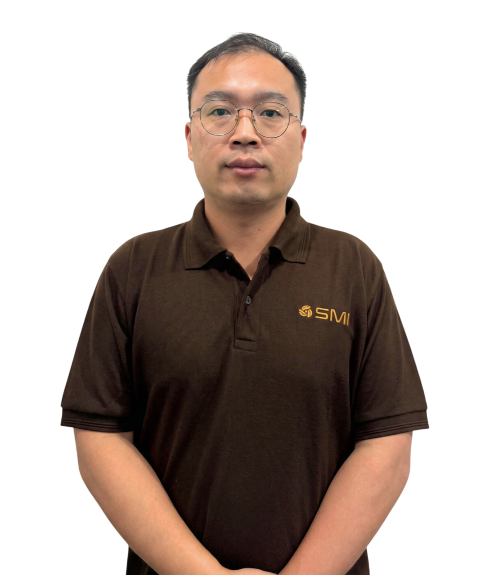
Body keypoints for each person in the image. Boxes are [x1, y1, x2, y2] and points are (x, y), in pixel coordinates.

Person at [61, 32, 429, 575]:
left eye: (271, 113)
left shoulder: (354, 267)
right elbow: (100, 438)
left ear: (302, 139)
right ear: (189, 138)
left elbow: (388, 445)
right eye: (219, 112)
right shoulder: (132, 268)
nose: (245, 133)